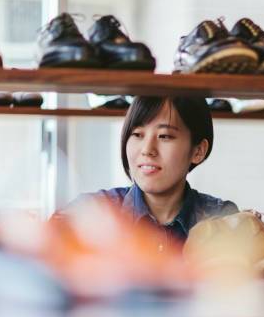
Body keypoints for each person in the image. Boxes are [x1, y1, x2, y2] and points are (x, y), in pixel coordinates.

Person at [61, 96, 238, 243]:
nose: (147, 149)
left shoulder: (222, 219)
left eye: (165, 136)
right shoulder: (91, 212)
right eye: (137, 134)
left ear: (198, 151)